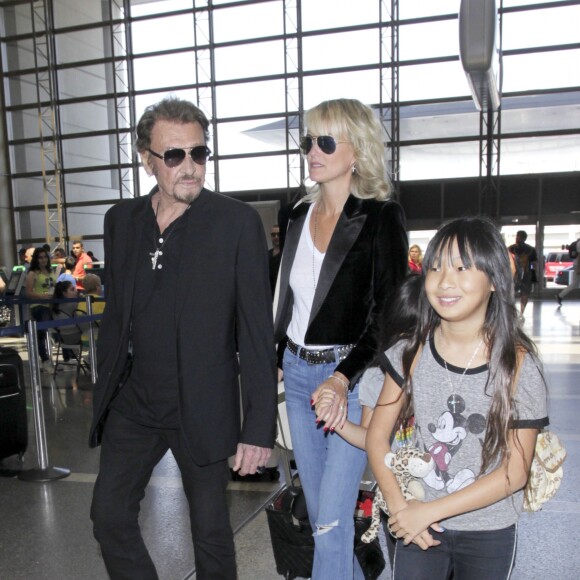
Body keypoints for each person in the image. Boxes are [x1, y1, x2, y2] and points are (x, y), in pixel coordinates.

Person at [89, 96, 277, 580]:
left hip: (203, 400)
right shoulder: (121, 221)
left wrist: (257, 427)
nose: (189, 167)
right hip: (134, 400)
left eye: (199, 153)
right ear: (146, 158)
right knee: (108, 516)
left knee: (211, 535)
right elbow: (118, 314)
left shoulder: (236, 224)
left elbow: (256, 330)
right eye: (174, 156)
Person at [366, 216, 548, 580]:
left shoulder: (518, 365)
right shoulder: (410, 351)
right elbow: (376, 436)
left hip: (489, 530)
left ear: (495, 280)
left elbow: (514, 473)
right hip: (417, 520)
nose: (445, 281)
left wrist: (428, 511)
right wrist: (403, 508)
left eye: (462, 268)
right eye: (435, 268)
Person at [274, 98, 408, 579]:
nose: (313, 150)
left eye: (326, 141)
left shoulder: (379, 217)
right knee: (321, 518)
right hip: (297, 371)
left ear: (357, 152)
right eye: (308, 140)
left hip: (350, 380)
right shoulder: (294, 217)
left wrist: (342, 377)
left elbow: (390, 317)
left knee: (331, 520)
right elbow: (288, 301)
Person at [24, 247, 56, 371]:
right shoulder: (33, 273)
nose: (43, 260)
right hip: (39, 306)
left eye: (45, 257)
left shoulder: (51, 271)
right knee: (41, 334)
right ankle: (45, 359)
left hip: (52, 304)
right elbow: (28, 292)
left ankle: (66, 356)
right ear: (36, 259)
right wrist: (42, 296)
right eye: (40, 257)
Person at [51, 280, 81, 370]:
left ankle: (68, 358)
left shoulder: (54, 306)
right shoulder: (74, 305)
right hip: (75, 337)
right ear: (64, 293)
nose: (76, 291)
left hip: (62, 338)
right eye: (72, 289)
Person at [508, 230, 537, 317]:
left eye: (517, 236)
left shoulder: (511, 248)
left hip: (514, 274)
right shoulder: (531, 249)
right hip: (527, 274)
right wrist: (533, 274)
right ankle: (521, 313)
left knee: (510, 293)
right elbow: (534, 264)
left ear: (518, 237)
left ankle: (512, 313)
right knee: (525, 294)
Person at [556, 238, 580, 306]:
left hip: (577, 265)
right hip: (578, 265)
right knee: (575, 283)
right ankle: (560, 296)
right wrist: (579, 268)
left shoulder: (577, 242)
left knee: (575, 284)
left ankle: (560, 296)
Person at [268, 224, 282, 293]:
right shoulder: (267, 254)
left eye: (278, 234)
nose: (276, 237)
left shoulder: (285, 254)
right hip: (269, 292)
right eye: (273, 235)